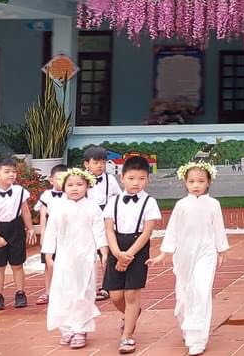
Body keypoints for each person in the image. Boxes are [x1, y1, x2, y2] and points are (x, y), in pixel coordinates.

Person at [150, 162, 230, 356]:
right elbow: (173, 230)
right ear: (185, 182)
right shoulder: (181, 205)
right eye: (192, 181)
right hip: (184, 254)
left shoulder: (213, 204)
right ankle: (187, 325)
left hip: (206, 252)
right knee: (185, 292)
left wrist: (221, 251)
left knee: (201, 291)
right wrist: (165, 252)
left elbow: (218, 229)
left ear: (208, 182)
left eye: (201, 181)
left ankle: (198, 339)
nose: (196, 185)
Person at [41, 168, 107, 350]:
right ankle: (66, 328)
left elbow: (99, 231)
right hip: (64, 256)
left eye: (79, 184)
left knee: (84, 291)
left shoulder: (92, 208)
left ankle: (80, 329)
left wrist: (104, 251)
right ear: (63, 187)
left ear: (87, 186)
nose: (75, 188)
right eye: (70, 185)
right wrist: (48, 254)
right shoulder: (58, 207)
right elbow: (51, 231)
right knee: (63, 291)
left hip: (86, 257)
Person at [103, 155, 162, 354]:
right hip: (116, 247)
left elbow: (147, 232)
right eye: (131, 178)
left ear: (148, 180)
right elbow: (109, 229)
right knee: (115, 295)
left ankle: (127, 336)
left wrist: (128, 255)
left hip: (137, 248)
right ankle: (133, 313)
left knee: (131, 294)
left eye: (141, 178)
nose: (136, 183)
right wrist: (117, 253)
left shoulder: (150, 202)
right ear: (122, 178)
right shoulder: (113, 201)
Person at [0, 157, 36, 311]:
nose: (11, 174)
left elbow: (25, 211)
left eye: (13, 172)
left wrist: (30, 228)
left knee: (17, 264)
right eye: (7, 172)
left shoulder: (20, 191)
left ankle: (20, 293)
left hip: (16, 228)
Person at [82, 146, 120, 303]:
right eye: (96, 162)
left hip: (105, 216)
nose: (100, 166)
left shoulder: (110, 179)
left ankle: (107, 286)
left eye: (103, 162)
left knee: (107, 252)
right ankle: (86, 287)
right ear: (86, 164)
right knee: (88, 251)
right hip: (86, 216)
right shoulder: (81, 179)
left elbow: (118, 197)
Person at [34, 164, 69, 305]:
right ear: (51, 180)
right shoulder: (47, 195)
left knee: (66, 261)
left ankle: (65, 291)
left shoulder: (71, 193)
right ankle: (48, 291)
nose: (61, 181)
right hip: (51, 230)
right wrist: (43, 234)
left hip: (66, 231)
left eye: (64, 178)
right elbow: (43, 215)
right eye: (58, 178)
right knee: (48, 263)